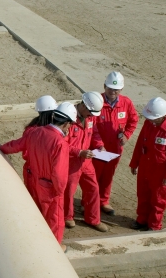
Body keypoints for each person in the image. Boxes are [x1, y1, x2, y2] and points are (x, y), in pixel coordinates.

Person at [0, 102, 76, 251]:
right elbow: (59, 173)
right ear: (67, 123)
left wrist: (0, 147)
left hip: (33, 180)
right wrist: (59, 192)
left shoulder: (35, 132)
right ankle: (54, 248)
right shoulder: (60, 143)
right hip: (50, 187)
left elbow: (15, 145)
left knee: (36, 212)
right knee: (54, 218)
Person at [129, 97, 166, 231]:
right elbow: (140, 143)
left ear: (164, 115)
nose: (151, 120)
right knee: (143, 195)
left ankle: (154, 224)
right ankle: (142, 219)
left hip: (160, 171)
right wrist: (134, 162)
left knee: (158, 199)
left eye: (154, 118)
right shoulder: (148, 124)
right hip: (145, 167)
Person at [91, 71, 139, 216]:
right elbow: (92, 126)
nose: (113, 92)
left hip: (115, 148)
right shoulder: (97, 102)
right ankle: (89, 202)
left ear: (121, 89)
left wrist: (126, 135)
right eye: (110, 88)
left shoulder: (126, 103)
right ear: (104, 86)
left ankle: (103, 201)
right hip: (98, 149)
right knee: (93, 176)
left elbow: (133, 120)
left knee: (108, 175)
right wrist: (99, 144)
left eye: (116, 89)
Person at [64, 92, 109, 232]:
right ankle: (67, 216)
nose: (91, 116)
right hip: (71, 161)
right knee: (69, 190)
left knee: (93, 188)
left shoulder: (90, 117)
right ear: (83, 105)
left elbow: (94, 133)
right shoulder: (68, 117)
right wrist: (79, 152)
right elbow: (62, 144)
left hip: (86, 160)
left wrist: (99, 145)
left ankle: (93, 219)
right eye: (90, 112)